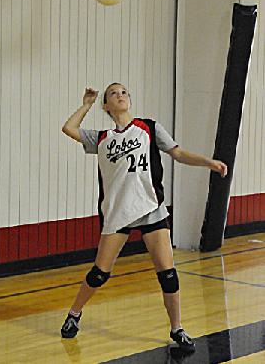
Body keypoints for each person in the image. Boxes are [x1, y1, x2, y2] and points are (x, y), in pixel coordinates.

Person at [60, 83, 228, 352]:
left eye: (124, 91)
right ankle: (74, 314)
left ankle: (177, 329)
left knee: (169, 275)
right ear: (107, 106)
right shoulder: (101, 137)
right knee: (99, 274)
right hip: (118, 213)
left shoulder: (149, 127)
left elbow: (178, 153)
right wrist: (87, 104)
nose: (120, 95)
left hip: (150, 208)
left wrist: (209, 162)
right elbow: (69, 128)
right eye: (113, 93)